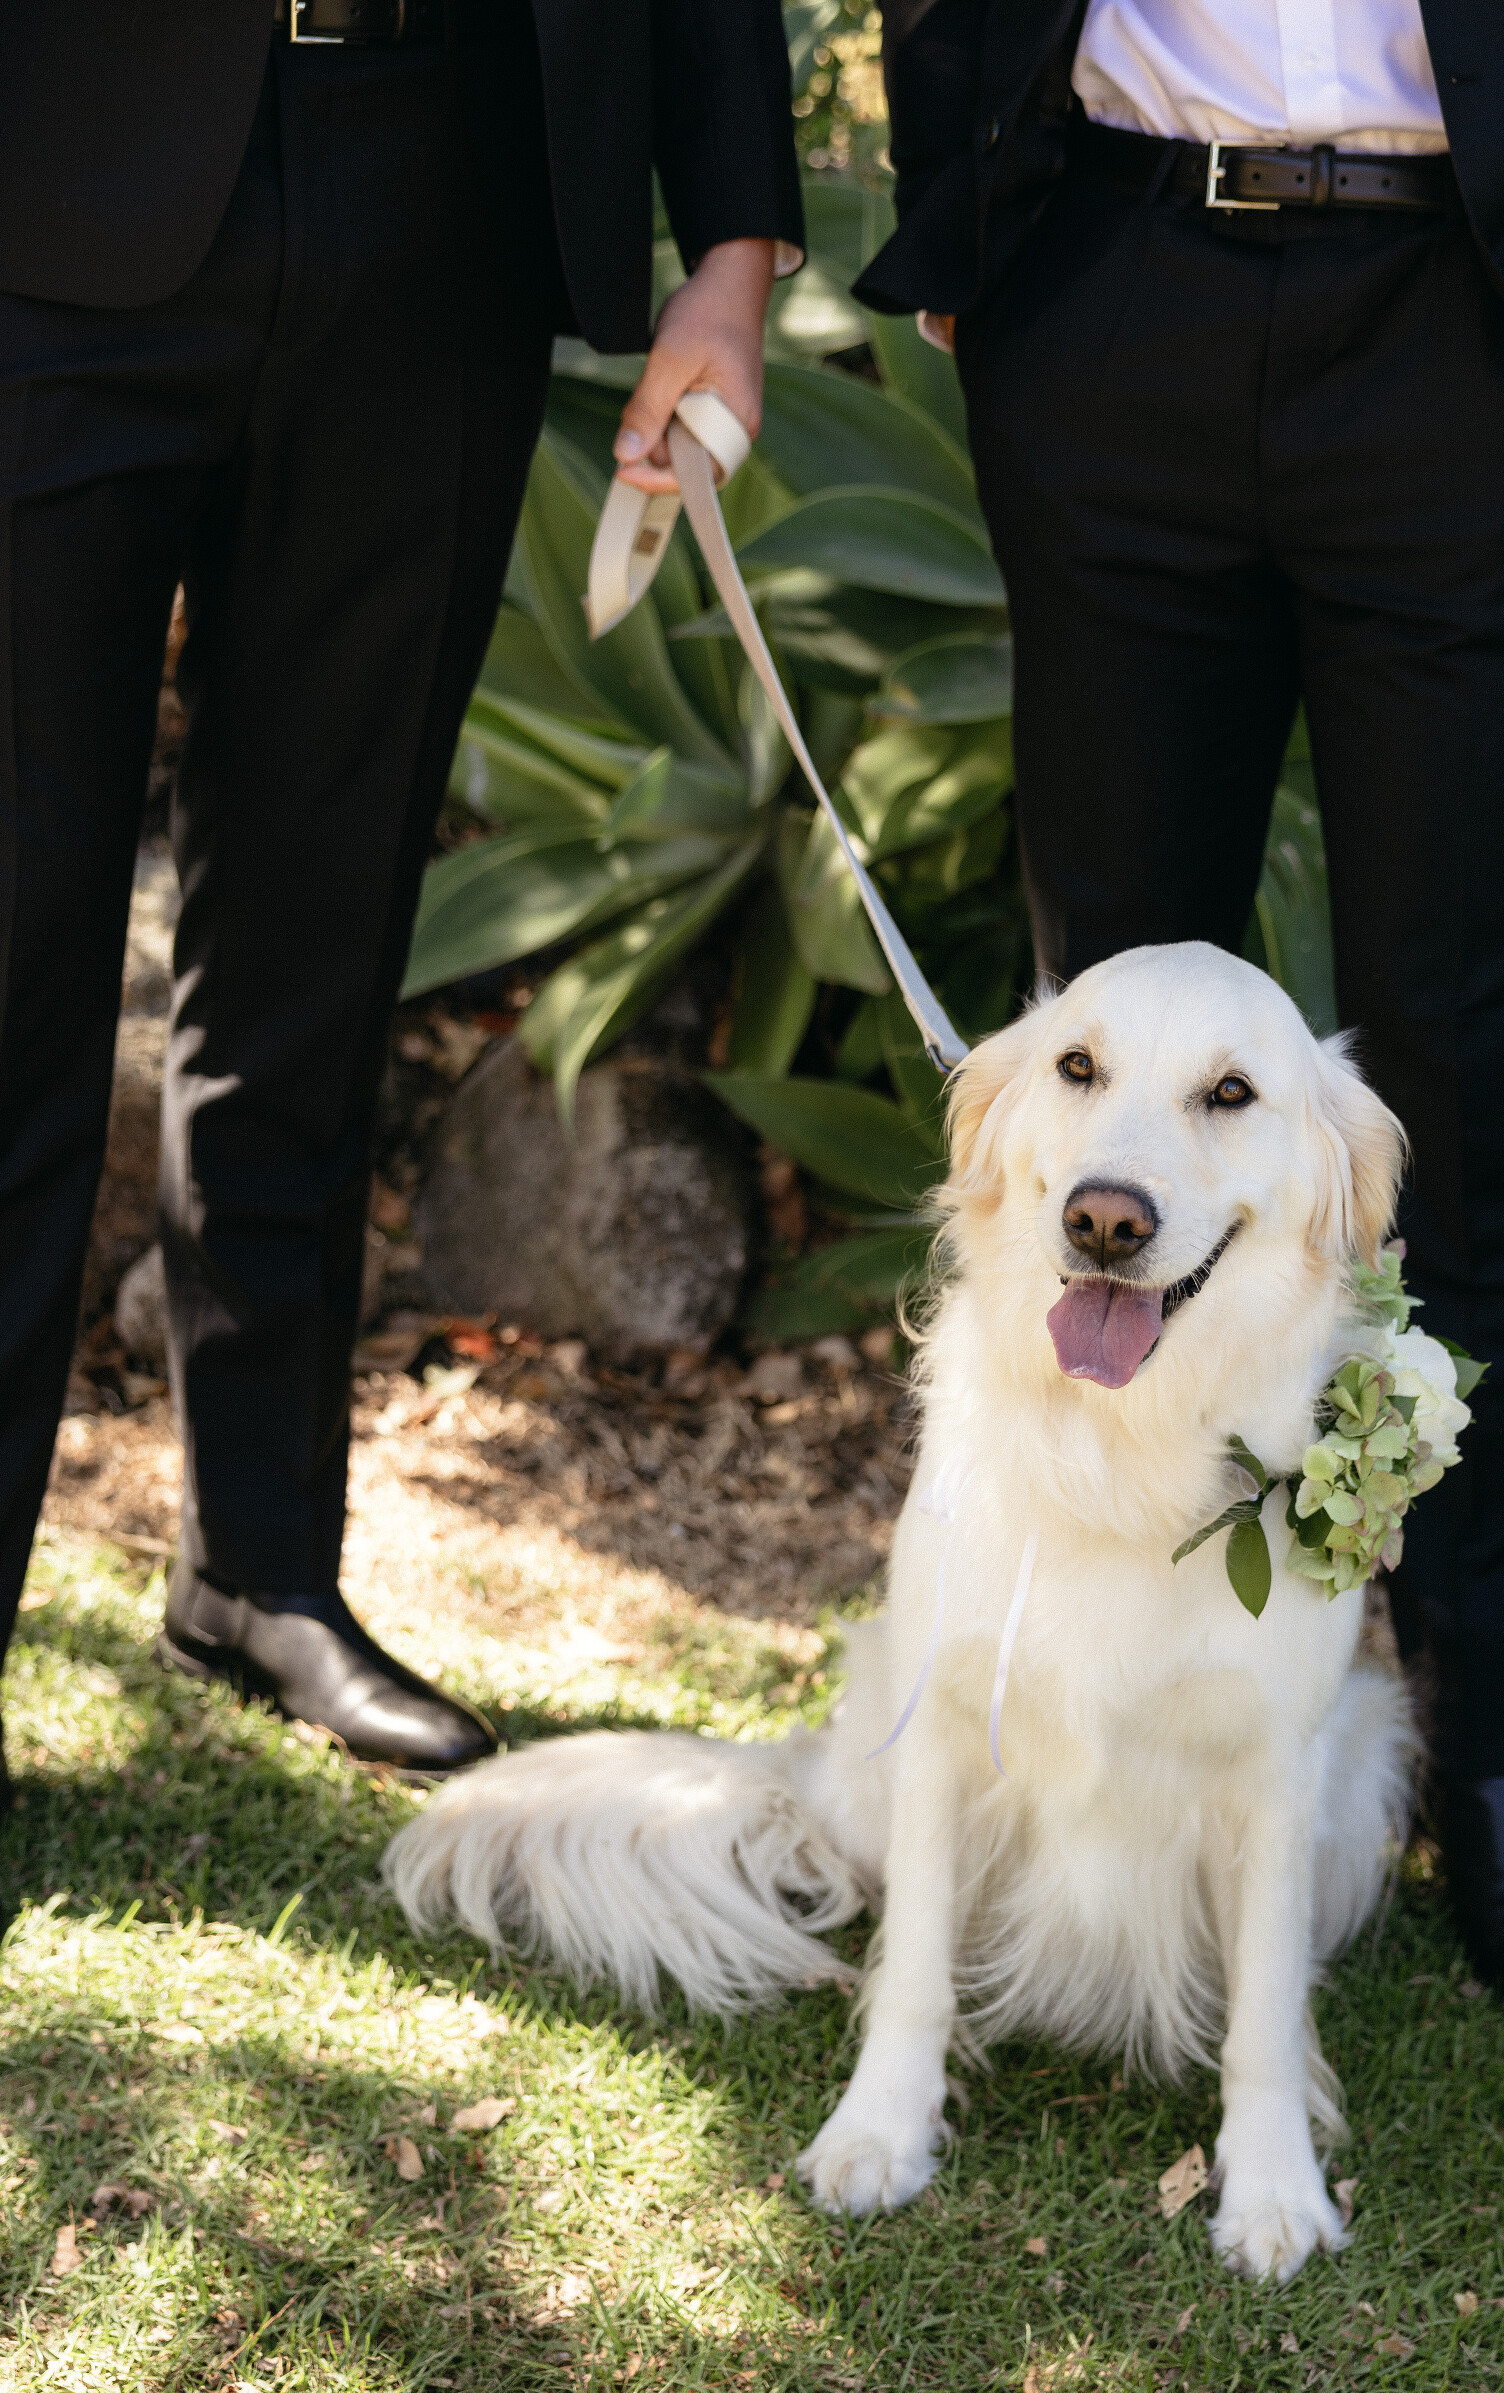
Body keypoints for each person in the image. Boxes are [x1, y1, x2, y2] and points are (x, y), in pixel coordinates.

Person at [856, 0, 1504, 2029]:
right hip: (1108, 276)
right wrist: (965, 182)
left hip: (1486, 310)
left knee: (1464, 1091)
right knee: (1111, 1102)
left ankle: (1483, 1773)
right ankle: (1081, 1731)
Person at [0, 0, 801, 1796]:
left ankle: (260, 1571)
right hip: (50, 178)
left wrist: (734, 244)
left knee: (326, 924)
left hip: (447, 178)